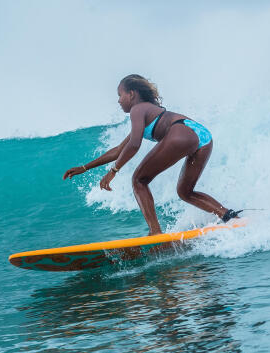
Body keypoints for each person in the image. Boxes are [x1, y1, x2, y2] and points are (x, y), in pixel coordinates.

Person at [63, 74, 241, 235]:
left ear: (131, 94)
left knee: (139, 180)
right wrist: (85, 168)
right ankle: (229, 216)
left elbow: (134, 145)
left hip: (182, 131)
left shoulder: (137, 109)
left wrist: (113, 171)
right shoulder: (147, 112)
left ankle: (155, 233)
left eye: (120, 95)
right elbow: (119, 150)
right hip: (202, 137)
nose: (118, 101)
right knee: (185, 192)